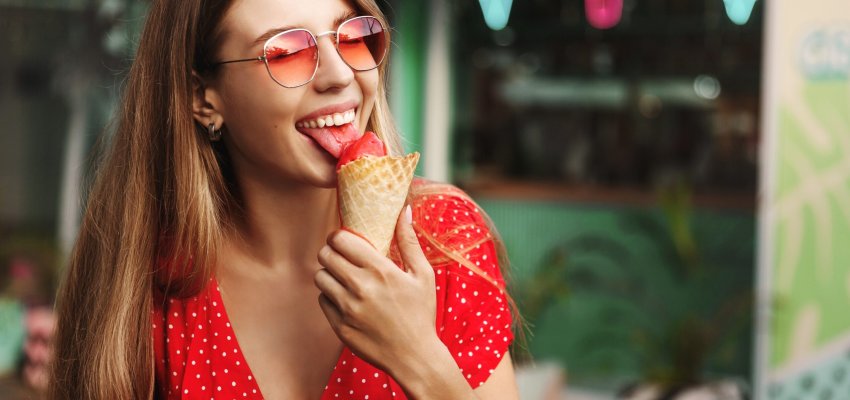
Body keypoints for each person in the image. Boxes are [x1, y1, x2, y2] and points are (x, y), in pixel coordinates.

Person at [48, 0, 521, 398]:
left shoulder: (445, 238)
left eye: (354, 37)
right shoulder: (143, 274)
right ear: (203, 96)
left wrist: (419, 359)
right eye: (288, 51)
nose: (341, 76)